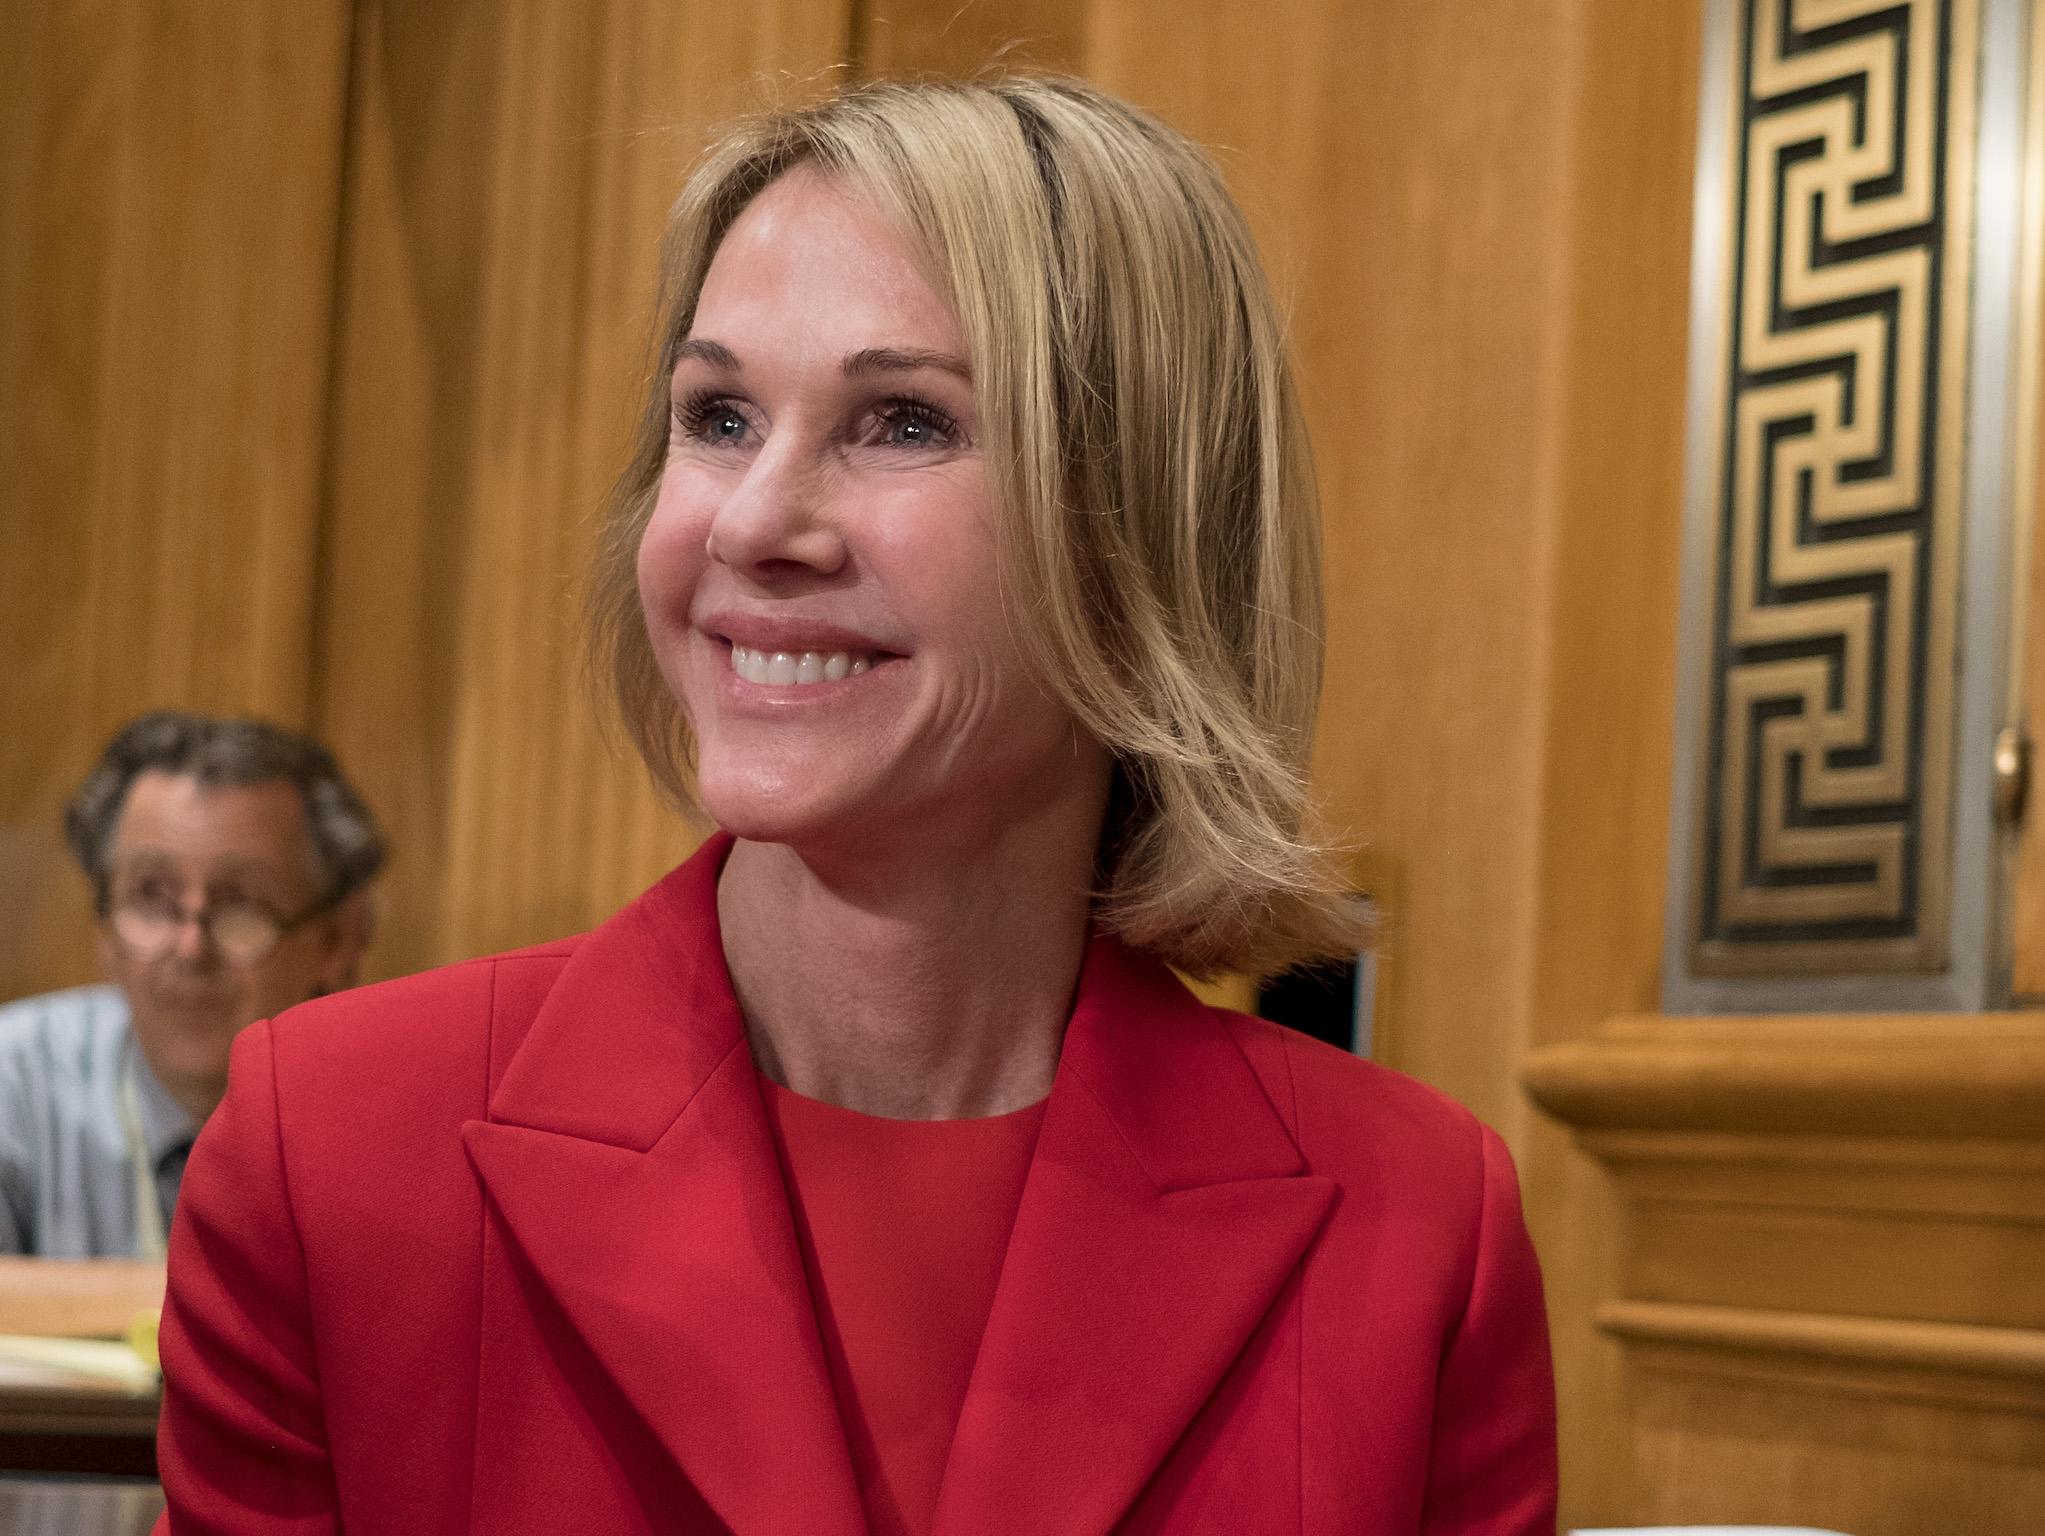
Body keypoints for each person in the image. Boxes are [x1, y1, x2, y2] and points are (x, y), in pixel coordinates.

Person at [154, 76, 1555, 1534]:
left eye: (899, 422)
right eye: (718, 415)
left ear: (1139, 530)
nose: (754, 522)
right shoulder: (328, 1155)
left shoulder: (1420, 1231)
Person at [0, 712, 382, 1258]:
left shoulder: (400, 1124)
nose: (189, 949)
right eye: (151, 896)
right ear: (104, 929)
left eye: (242, 902)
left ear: (337, 939)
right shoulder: (14, 1078)